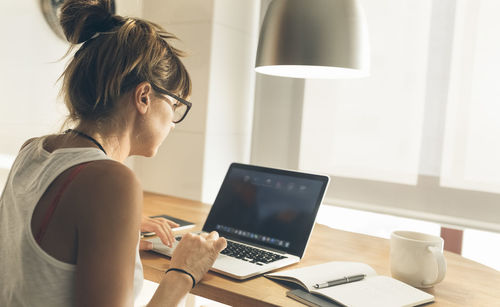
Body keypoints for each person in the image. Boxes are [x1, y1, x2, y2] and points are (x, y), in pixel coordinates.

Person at [0, 0, 226, 306]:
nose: (173, 124)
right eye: (174, 106)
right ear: (144, 96)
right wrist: (184, 271)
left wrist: (119, 227)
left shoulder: (33, 150)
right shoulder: (111, 182)